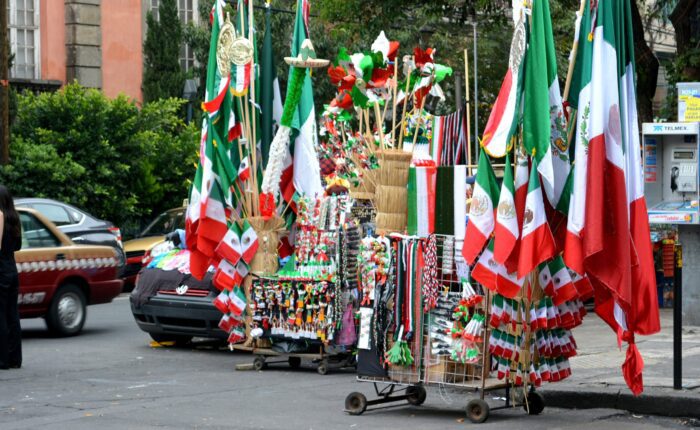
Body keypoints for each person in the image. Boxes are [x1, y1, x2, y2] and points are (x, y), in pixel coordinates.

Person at [0, 185, 22, 369]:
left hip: (1, 270)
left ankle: (3, 359)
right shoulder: (15, 219)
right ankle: (16, 358)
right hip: (12, 268)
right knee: (12, 314)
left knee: (1, 314)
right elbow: (18, 247)